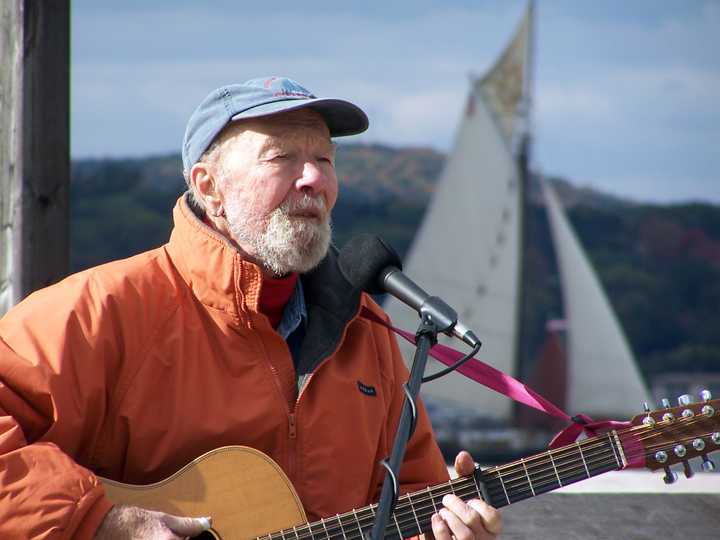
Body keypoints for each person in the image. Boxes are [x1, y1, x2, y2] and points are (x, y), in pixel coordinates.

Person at [0, 77, 502, 539]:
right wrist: (101, 520)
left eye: (325, 160)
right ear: (208, 187)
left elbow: (409, 499)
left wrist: (444, 533)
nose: (313, 179)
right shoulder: (100, 312)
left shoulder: (366, 330)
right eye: (281, 157)